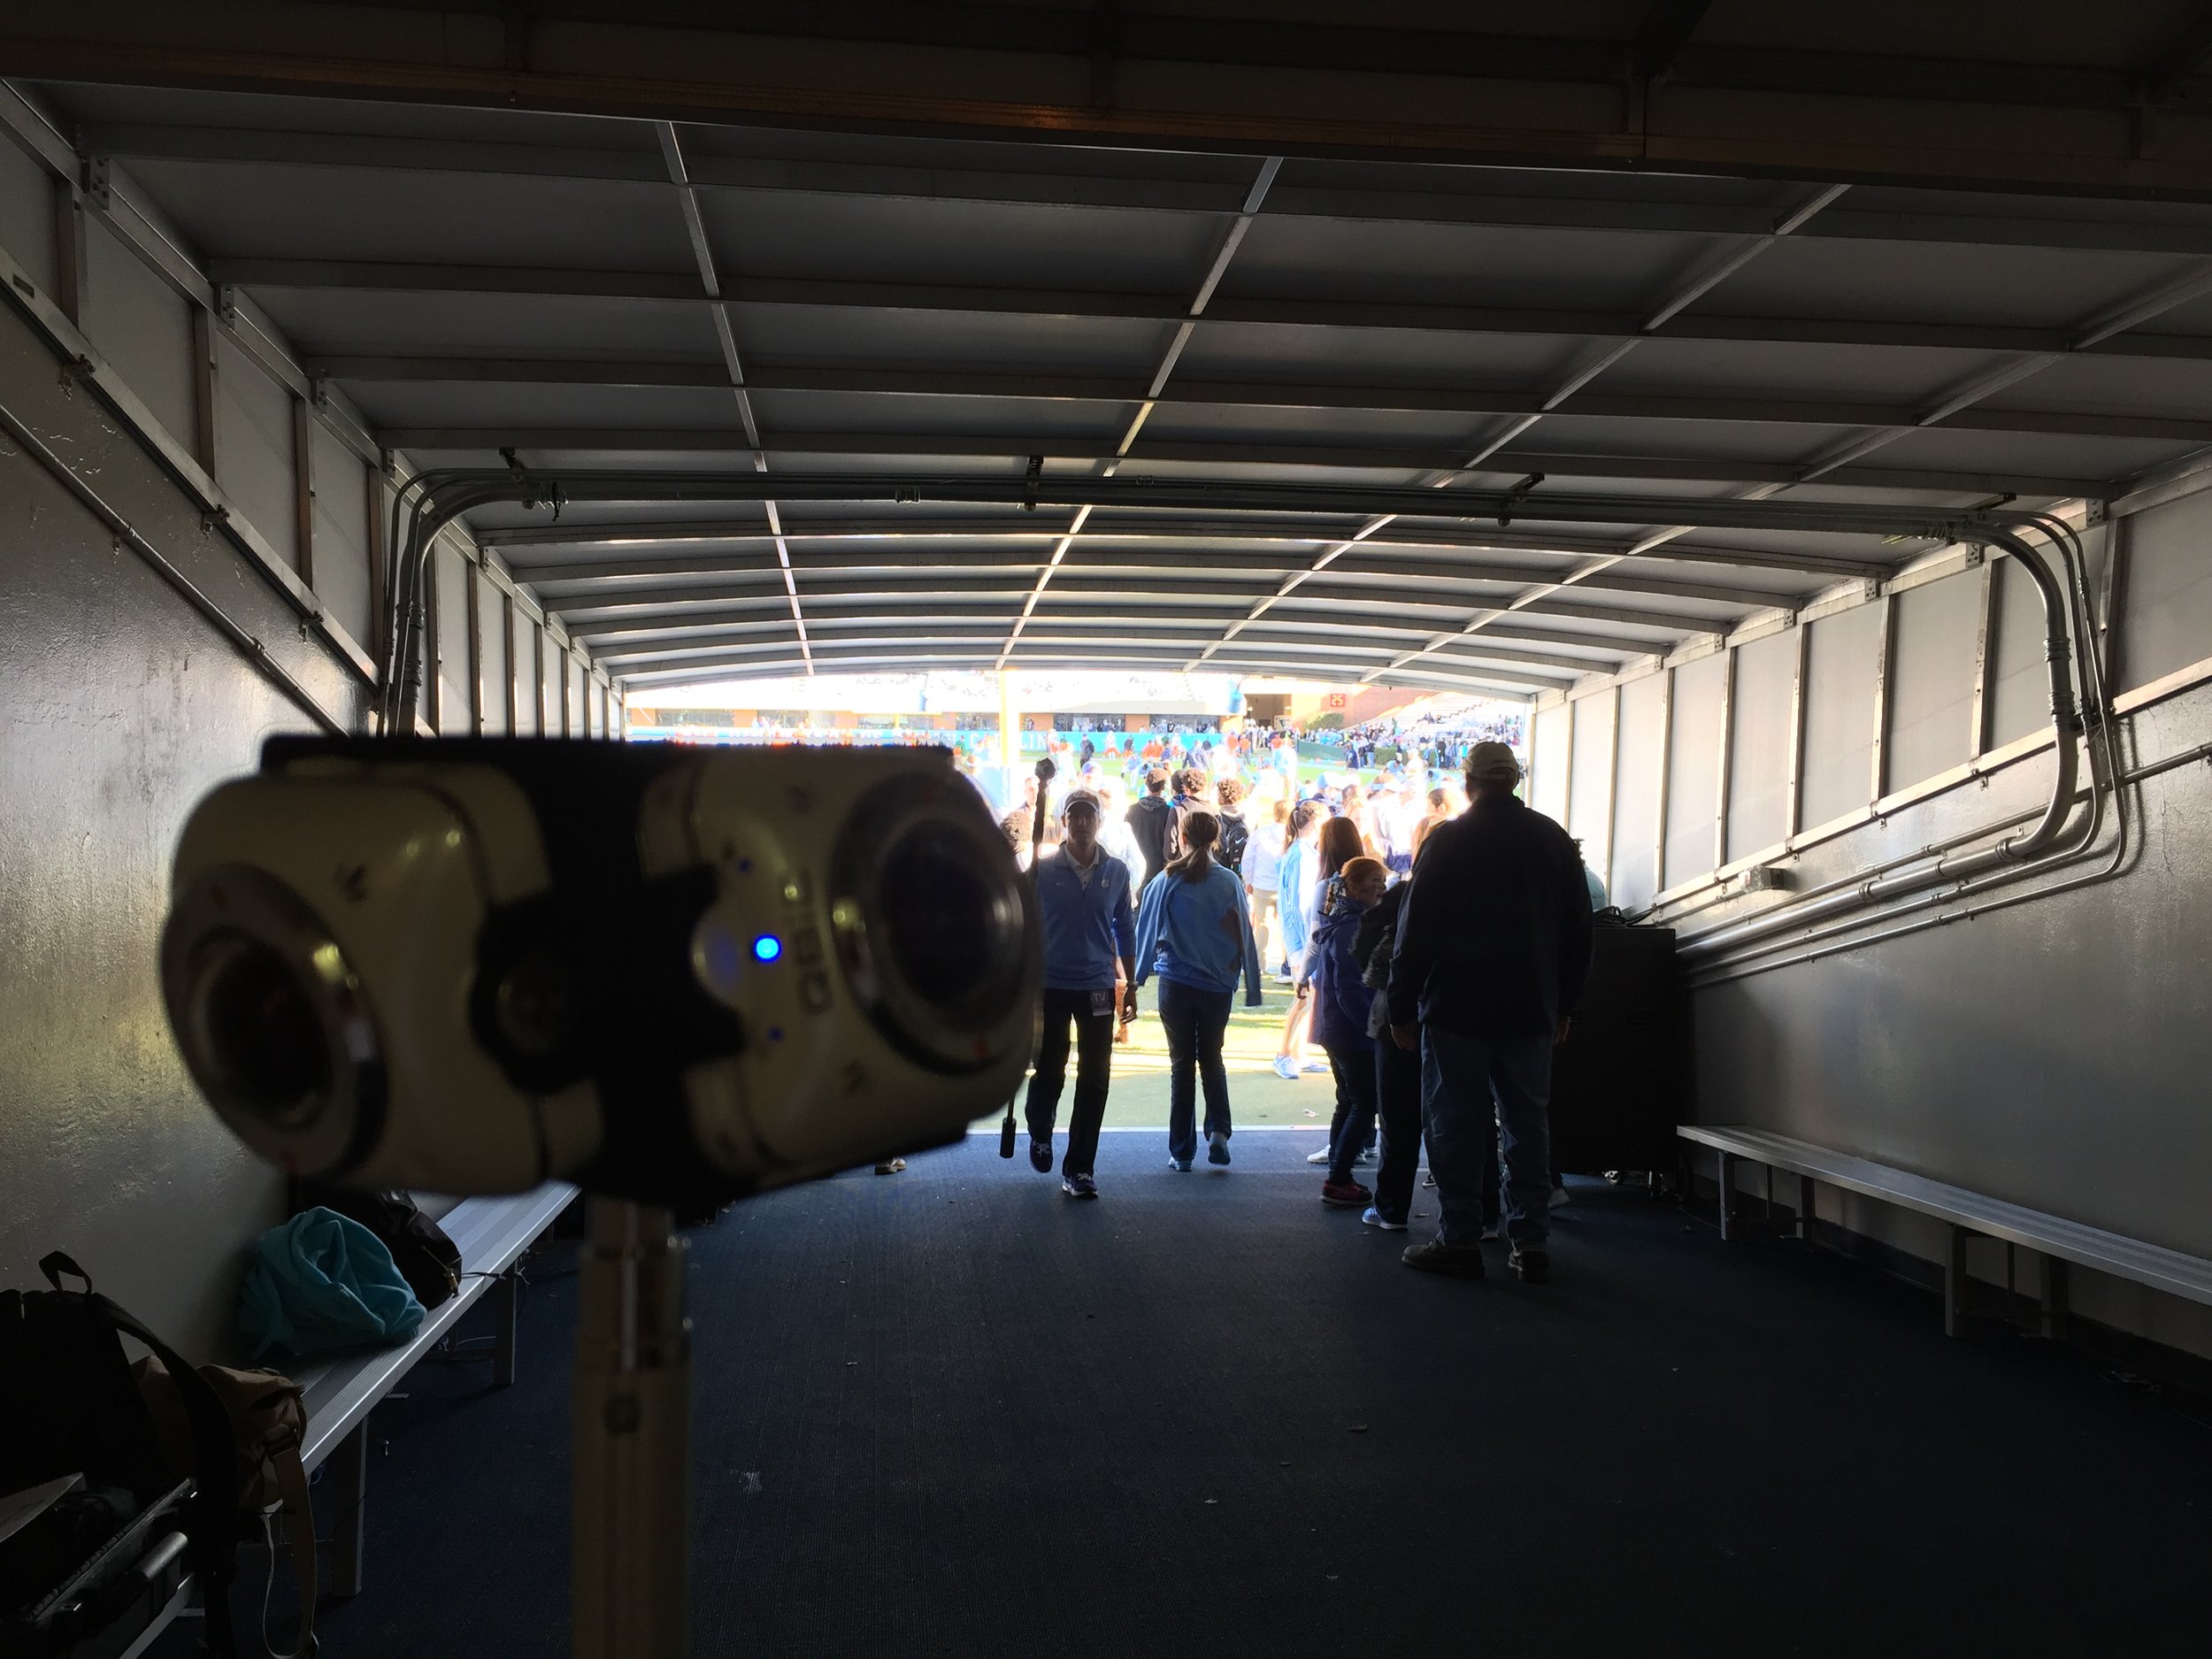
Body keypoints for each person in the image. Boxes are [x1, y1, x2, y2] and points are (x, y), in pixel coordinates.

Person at [1387, 741, 1593, 1284]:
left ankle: (1459, 1238)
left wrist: (1401, 1008)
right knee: (1527, 1125)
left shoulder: (1448, 841)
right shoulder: (1552, 839)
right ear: (1515, 780)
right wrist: (1566, 1004)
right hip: (1531, 1008)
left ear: (1469, 782)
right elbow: (1579, 932)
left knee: (1455, 1125)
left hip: (1457, 1008)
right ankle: (1531, 1241)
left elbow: (1415, 933)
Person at [1023, 789, 1138, 1200]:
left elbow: (1124, 926)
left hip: (1097, 986)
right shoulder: (1041, 870)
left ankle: (1080, 1168)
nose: (1083, 823)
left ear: (1099, 822)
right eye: (1075, 816)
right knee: (1049, 1069)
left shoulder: (1117, 871)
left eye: (1090, 816)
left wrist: (1131, 982)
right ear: (1065, 822)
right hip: (1050, 984)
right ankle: (1040, 1128)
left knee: (1095, 1076)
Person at [1133, 810, 1263, 1172]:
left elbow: (1146, 929)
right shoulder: (1229, 881)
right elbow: (1244, 934)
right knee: (1211, 1058)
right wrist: (1251, 985)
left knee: (1181, 1065)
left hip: (1176, 982)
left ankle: (1182, 1151)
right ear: (1217, 839)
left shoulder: (1167, 879)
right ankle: (1219, 1131)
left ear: (1183, 839)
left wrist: (1135, 980)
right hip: (1217, 987)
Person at [1307, 855, 1387, 1210]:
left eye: (1382, 883)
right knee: (1364, 1102)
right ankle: (1339, 1177)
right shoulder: (1350, 927)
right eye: (1373, 883)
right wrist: (1370, 1028)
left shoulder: (1340, 921)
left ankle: (1339, 1173)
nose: (1379, 889)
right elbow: (1349, 987)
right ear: (1352, 886)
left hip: (1335, 1027)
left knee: (1349, 1099)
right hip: (1350, 1031)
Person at [1294, 816, 1371, 1138]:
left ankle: (1343, 1149)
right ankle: (1364, 1139)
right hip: (1369, 983)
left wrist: (1302, 975)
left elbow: (1316, 938)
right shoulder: (1372, 881)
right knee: (1365, 1079)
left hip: (1336, 982)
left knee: (1349, 1086)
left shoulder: (1328, 888)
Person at [1271, 800, 1326, 1076]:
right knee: (1305, 996)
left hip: (1301, 937)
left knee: (1309, 997)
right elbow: (1299, 903)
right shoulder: (1302, 855)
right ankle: (1284, 1054)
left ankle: (1298, 1053)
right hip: (1301, 938)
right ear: (1315, 822)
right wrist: (1307, 944)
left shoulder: (1301, 852)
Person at [1245, 797, 1288, 975]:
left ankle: (1259, 963)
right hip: (1283, 887)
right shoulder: (1291, 835)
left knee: (1262, 926)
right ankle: (1288, 964)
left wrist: (1248, 880)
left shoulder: (1261, 833)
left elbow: (1248, 858)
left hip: (1262, 885)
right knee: (1286, 927)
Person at [1125, 767, 1178, 887]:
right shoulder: (1169, 812)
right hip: (1159, 868)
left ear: (1146, 785)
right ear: (1163, 787)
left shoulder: (1132, 810)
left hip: (1137, 866)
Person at [1212, 775, 1251, 878]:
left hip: (1220, 875)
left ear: (1221, 798)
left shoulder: (1216, 821)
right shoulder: (1248, 820)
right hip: (1235, 876)